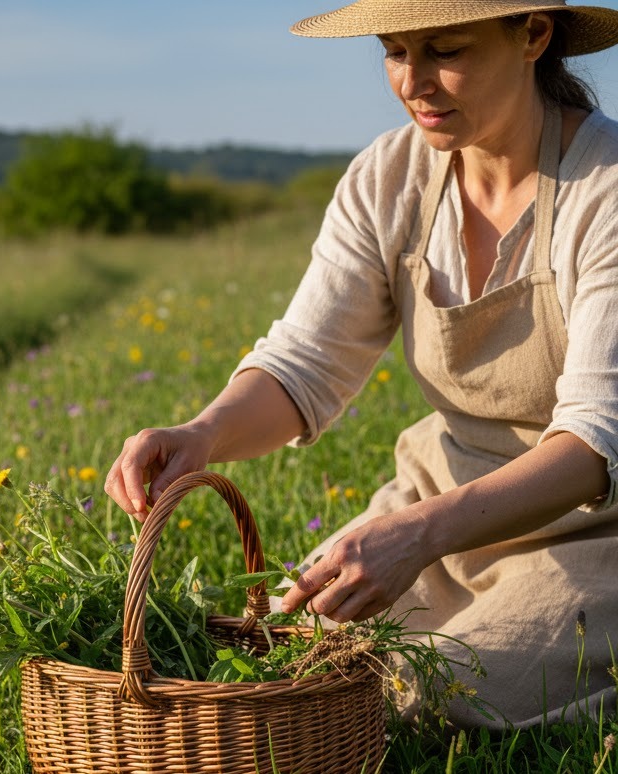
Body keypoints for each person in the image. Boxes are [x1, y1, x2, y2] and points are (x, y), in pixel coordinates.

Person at [104, 0, 618, 729]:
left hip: (593, 535)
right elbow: (305, 363)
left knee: (425, 695)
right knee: (296, 665)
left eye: (445, 48)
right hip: (439, 505)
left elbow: (596, 446)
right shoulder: (390, 176)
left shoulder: (607, 188)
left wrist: (420, 534)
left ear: (534, 35)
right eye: (395, 51)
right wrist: (203, 434)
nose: (414, 82)